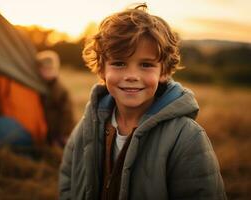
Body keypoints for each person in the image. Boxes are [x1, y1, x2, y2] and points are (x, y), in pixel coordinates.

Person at [59, 4, 226, 200]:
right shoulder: (88, 125)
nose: (131, 76)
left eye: (146, 65)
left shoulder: (187, 137)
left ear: (163, 71)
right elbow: (68, 180)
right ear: (102, 70)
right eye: (119, 63)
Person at [36, 50, 75, 147]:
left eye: (50, 69)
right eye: (44, 69)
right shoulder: (39, 87)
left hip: (58, 131)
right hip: (45, 129)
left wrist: (64, 134)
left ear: (55, 69)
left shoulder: (60, 90)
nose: (47, 72)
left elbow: (67, 113)